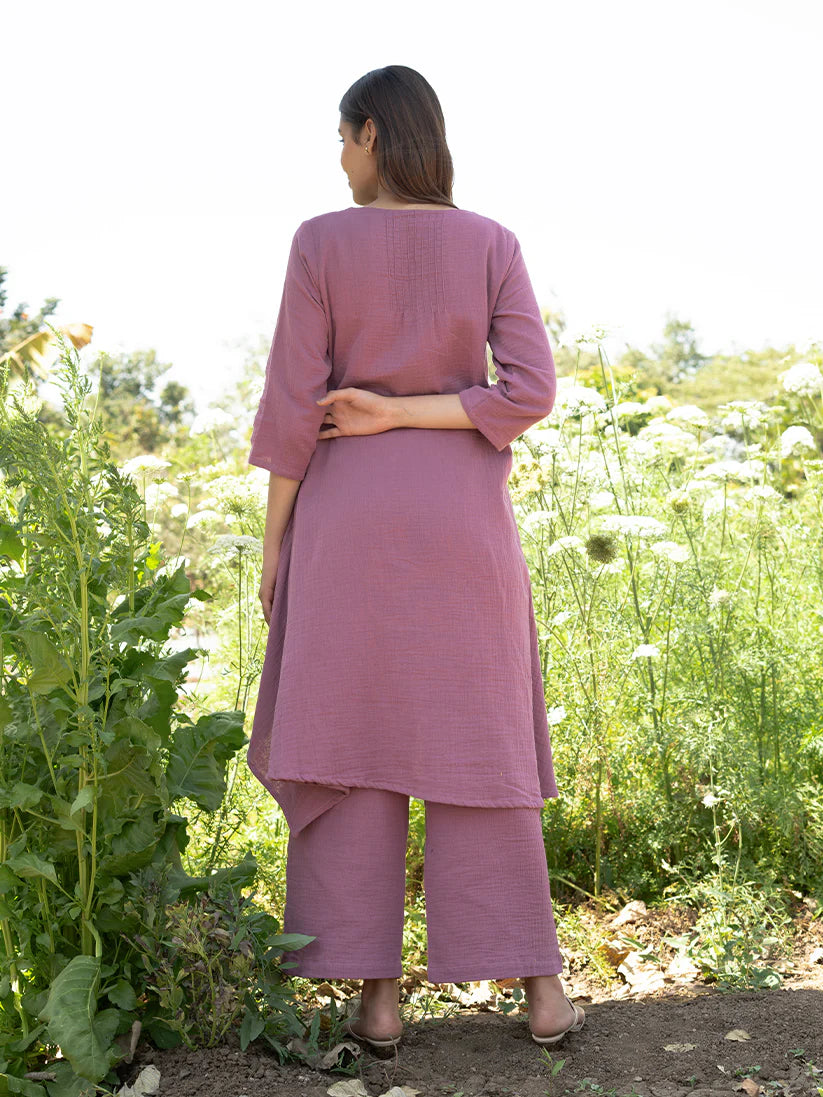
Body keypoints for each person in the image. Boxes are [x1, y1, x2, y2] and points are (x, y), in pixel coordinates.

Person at [246, 64, 586, 1050]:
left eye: (340, 138)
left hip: (347, 528)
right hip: (462, 527)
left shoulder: (320, 242)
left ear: (369, 134)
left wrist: (274, 543)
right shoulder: (491, 242)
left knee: (353, 746)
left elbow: (292, 408)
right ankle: (542, 992)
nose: (339, 159)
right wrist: (414, 411)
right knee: (481, 747)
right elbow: (528, 390)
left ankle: (379, 1001)